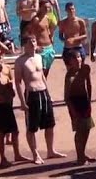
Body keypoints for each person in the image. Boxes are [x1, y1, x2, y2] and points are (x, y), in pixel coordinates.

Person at [14, 34, 63, 164]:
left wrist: (49, 93)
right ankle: (35, 154)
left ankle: (50, 150)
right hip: (31, 94)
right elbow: (18, 82)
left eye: (34, 41)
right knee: (32, 127)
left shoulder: (39, 57)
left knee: (50, 124)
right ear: (24, 44)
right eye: (30, 42)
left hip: (43, 93)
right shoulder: (20, 61)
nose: (33, 44)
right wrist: (22, 102)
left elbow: (42, 76)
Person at [0, 50, 24, 167]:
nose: (0, 66)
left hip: (7, 106)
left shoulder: (4, 74)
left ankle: (17, 154)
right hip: (1, 107)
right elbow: (5, 93)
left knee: (14, 131)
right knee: (2, 133)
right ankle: (3, 158)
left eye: (0, 64)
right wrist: (9, 87)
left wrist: (10, 87)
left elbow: (10, 92)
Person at [61, 48, 94, 165]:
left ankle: (83, 152)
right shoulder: (69, 76)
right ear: (69, 61)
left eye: (79, 57)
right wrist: (72, 111)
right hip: (74, 103)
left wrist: (89, 100)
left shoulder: (85, 69)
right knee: (79, 131)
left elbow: (89, 84)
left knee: (87, 128)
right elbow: (67, 97)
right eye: (74, 58)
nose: (78, 60)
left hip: (85, 100)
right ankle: (79, 156)